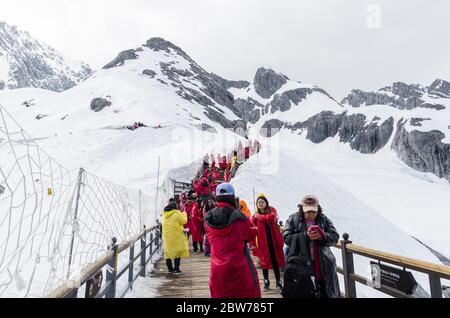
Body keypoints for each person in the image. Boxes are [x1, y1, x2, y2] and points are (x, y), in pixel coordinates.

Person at [204, 183, 261, 298]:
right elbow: (252, 233)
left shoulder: (208, 219)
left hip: (217, 270)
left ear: (216, 198)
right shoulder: (240, 217)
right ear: (232, 197)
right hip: (239, 268)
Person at [283, 195, 340, 298]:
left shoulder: (323, 219)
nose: (311, 214)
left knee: (324, 290)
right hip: (301, 263)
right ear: (302, 209)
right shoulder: (293, 219)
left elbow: (335, 237)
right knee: (305, 289)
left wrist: (322, 236)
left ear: (318, 209)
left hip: (323, 264)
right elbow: (286, 238)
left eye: (314, 211)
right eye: (308, 211)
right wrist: (305, 236)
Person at [252, 194, 285, 291]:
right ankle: (266, 282)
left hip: (273, 241)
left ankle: (278, 282)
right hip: (262, 243)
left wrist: (259, 217)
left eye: (262, 202)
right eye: (259, 203)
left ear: (266, 203)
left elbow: (271, 218)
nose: (260, 204)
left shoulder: (272, 211)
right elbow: (252, 226)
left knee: (275, 261)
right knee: (264, 262)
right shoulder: (255, 216)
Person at [161, 198, 189, 274]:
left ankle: (170, 268)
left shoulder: (164, 214)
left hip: (167, 236)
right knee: (177, 250)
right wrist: (184, 213)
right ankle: (176, 268)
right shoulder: (177, 213)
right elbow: (183, 221)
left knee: (168, 251)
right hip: (176, 235)